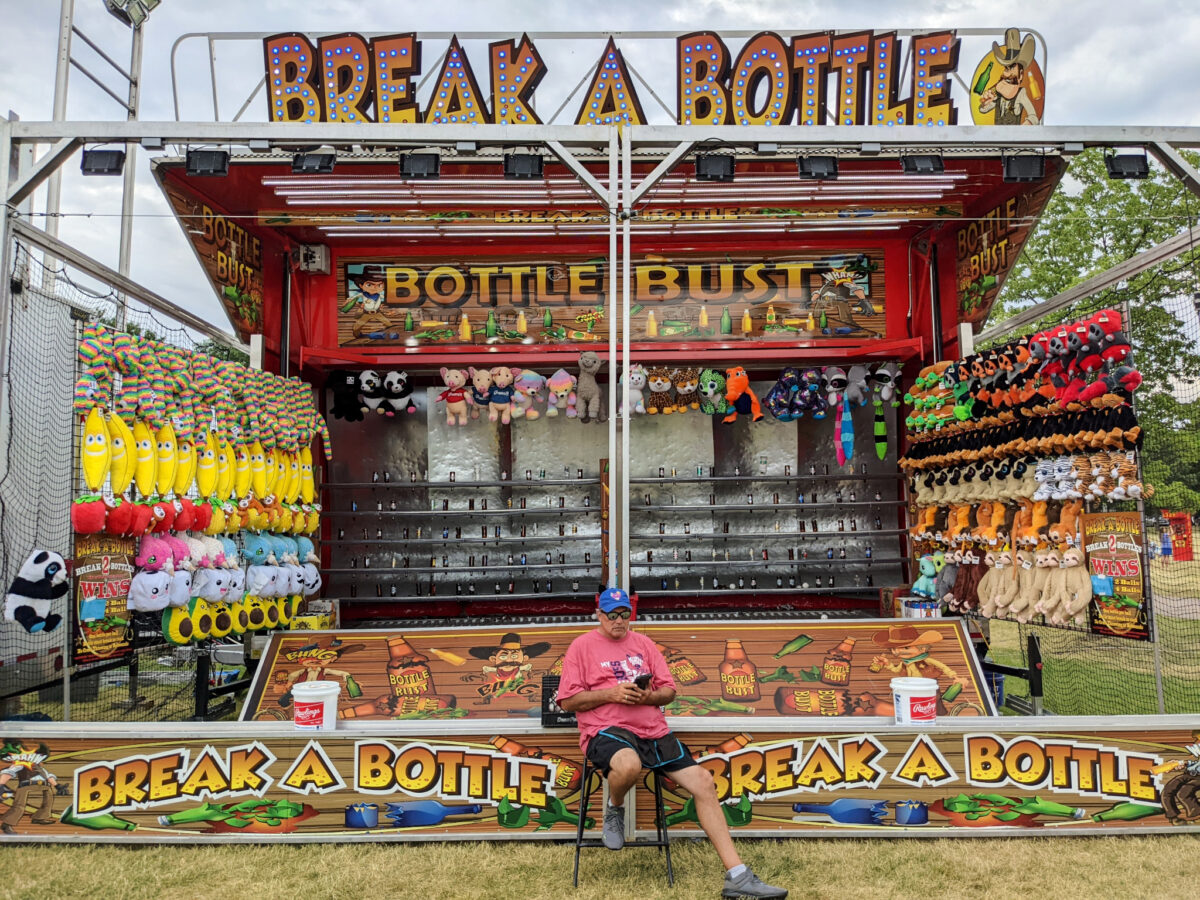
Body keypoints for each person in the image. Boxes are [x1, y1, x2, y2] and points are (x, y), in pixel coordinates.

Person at [557, 588, 787, 900]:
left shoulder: (644, 643)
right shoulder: (581, 646)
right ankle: (615, 806)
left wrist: (647, 696)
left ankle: (737, 876)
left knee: (704, 782)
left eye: (625, 613)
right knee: (629, 765)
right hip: (605, 731)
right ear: (599, 614)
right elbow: (568, 701)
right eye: (612, 614)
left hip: (653, 731)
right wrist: (610, 694)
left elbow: (669, 691)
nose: (619, 620)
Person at [978, 29, 1040, 126]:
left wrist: (1020, 132)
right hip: (996, 139)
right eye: (1006, 69)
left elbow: (1033, 117)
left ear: (1021, 74)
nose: (1007, 74)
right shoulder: (998, 94)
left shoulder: (1020, 94)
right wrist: (985, 102)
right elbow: (983, 110)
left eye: (1011, 68)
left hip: (1014, 139)